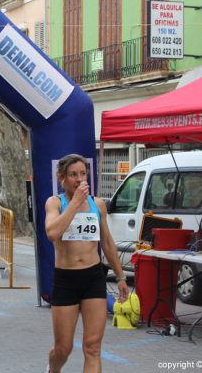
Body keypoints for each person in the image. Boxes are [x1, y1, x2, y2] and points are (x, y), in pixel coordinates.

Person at [44, 154, 128, 373]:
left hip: (92, 278)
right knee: (64, 348)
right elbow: (52, 233)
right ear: (61, 177)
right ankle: (53, 369)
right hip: (66, 279)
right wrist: (74, 204)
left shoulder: (97, 204)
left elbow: (107, 242)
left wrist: (120, 277)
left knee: (93, 347)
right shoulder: (55, 203)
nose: (79, 179)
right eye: (73, 175)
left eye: (83, 174)